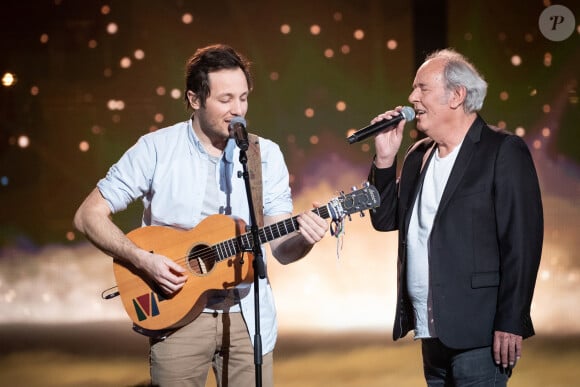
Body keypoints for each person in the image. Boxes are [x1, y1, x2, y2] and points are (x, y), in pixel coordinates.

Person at [73, 44, 329, 387]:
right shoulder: (155, 149)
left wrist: (304, 237)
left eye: (243, 98)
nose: (237, 110)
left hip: (248, 318)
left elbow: (282, 249)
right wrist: (142, 260)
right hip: (176, 314)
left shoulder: (263, 155)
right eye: (225, 100)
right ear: (195, 99)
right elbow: (88, 215)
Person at [367, 48, 543, 386]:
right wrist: (385, 160)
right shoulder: (418, 156)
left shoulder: (502, 151)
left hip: (481, 334)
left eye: (422, 88)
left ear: (457, 95)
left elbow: (521, 243)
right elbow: (385, 219)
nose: (411, 97)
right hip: (432, 333)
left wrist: (511, 319)